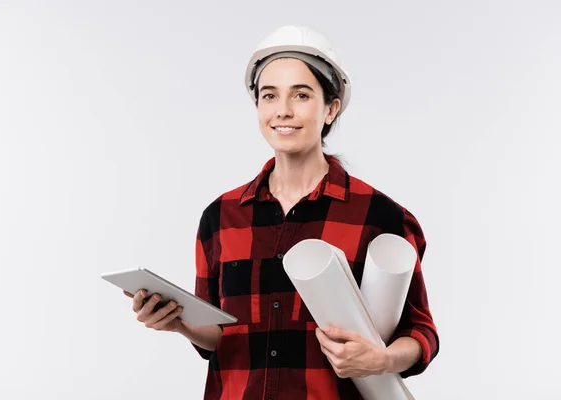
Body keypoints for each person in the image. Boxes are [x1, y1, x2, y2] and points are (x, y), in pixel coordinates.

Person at [124, 25, 439, 399]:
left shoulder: (380, 215)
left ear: (330, 109)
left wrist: (381, 360)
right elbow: (219, 336)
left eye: (301, 95)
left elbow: (421, 333)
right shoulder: (220, 217)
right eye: (269, 95)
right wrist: (179, 323)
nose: (283, 111)